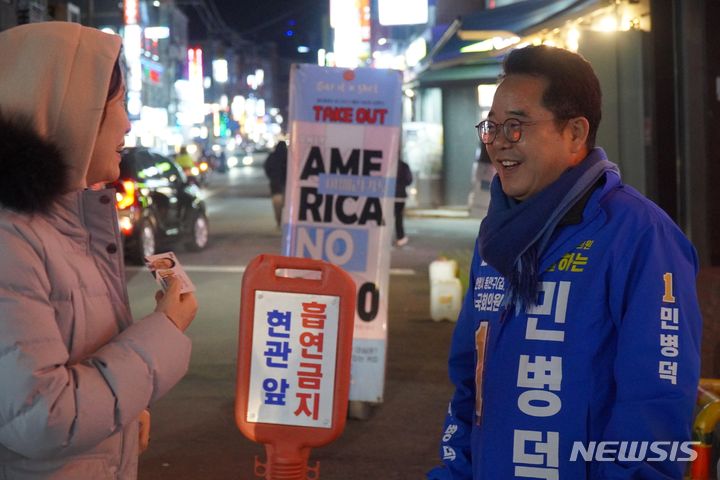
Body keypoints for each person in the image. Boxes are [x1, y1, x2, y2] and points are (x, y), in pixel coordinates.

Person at [427, 45, 702, 479]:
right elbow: (469, 384)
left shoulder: (640, 235)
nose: (498, 142)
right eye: (492, 126)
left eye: (515, 126)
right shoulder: (495, 240)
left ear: (575, 134)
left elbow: (655, 400)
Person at [0, 22, 198, 479]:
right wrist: (167, 328)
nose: (128, 122)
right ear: (71, 109)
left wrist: (123, 419)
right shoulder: (12, 238)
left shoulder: (62, 221)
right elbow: (43, 415)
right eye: (120, 103)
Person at [264, 140, 288, 228]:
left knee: (277, 206)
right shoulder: (288, 157)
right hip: (286, 185)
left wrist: (272, 177)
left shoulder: (272, 157)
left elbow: (267, 168)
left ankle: (279, 222)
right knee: (286, 205)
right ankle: (286, 222)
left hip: (275, 185)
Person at [394, 157, 413, 246]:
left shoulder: (386, 164)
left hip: (387, 196)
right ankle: (400, 237)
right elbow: (409, 180)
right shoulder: (404, 166)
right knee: (398, 217)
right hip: (400, 196)